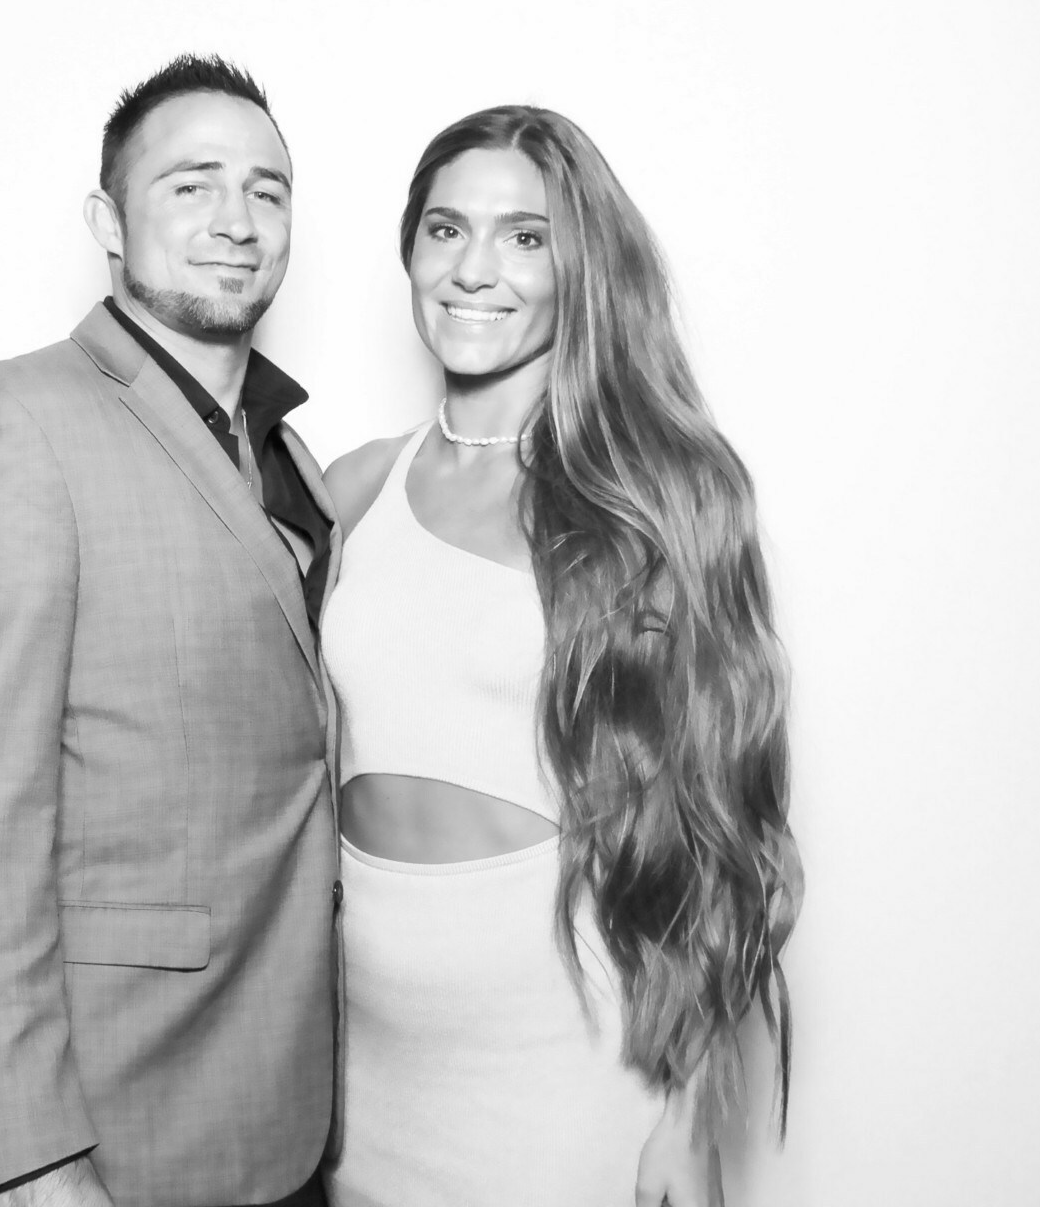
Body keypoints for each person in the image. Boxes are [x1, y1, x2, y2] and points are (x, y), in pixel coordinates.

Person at [0, 55, 340, 1207]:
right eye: (190, 185)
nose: (236, 220)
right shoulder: (9, 426)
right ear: (107, 222)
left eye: (266, 191)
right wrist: (26, 1160)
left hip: (288, 1108)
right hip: (110, 1124)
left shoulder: (290, 457)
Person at [319, 106, 802, 1206]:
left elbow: (729, 828)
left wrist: (688, 1119)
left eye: (525, 237)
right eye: (445, 229)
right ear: (409, 251)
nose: (474, 269)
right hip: (361, 1072)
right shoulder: (353, 488)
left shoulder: (652, 500)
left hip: (562, 1066)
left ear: (580, 265)